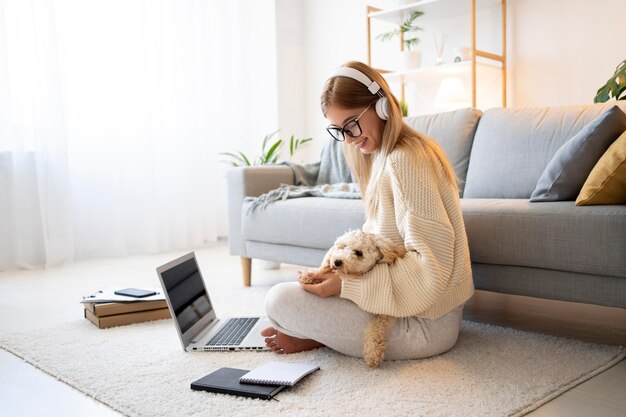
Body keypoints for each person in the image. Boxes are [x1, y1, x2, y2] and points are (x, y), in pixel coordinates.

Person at [261, 61, 474, 361]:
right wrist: (333, 276)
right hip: (405, 308)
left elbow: (432, 269)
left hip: (426, 324)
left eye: (351, 124)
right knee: (296, 297)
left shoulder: (406, 161)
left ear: (383, 106)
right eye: (339, 130)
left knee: (278, 301)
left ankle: (318, 336)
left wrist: (346, 286)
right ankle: (320, 334)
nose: (348, 138)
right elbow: (377, 248)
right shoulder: (382, 158)